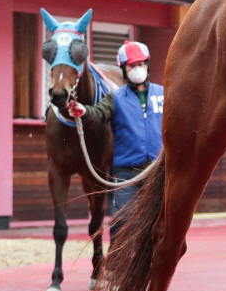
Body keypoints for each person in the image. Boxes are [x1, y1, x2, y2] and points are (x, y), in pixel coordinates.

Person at [67, 40, 163, 235]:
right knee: (122, 220)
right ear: (124, 69)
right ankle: (117, 265)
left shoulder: (163, 94)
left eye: (141, 64)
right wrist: (83, 111)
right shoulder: (115, 97)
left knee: (159, 221)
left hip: (158, 169)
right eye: (132, 65)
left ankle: (153, 264)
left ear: (147, 65)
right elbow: (98, 114)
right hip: (127, 172)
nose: (137, 69)